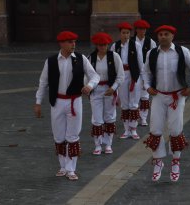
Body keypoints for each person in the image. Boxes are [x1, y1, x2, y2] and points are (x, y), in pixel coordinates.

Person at [34, 31, 100, 181]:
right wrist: (38, 102)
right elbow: (43, 83)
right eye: (70, 42)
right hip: (56, 102)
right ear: (61, 43)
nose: (73, 44)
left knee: (72, 136)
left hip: (74, 101)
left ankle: (71, 168)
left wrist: (90, 85)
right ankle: (62, 166)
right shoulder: (50, 61)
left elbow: (95, 75)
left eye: (74, 42)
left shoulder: (81, 59)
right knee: (58, 136)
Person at [143, 25, 190, 182]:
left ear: (172, 36)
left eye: (166, 34)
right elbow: (145, 72)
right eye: (160, 34)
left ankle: (176, 161)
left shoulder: (182, 52)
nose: (163, 37)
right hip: (159, 96)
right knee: (155, 128)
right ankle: (158, 160)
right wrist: (148, 87)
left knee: (175, 129)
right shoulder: (152, 53)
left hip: (177, 95)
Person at [88, 32, 125, 155]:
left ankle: (108, 144)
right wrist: (87, 88)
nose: (102, 47)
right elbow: (87, 75)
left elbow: (121, 76)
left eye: (104, 44)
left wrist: (113, 88)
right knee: (97, 118)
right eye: (100, 45)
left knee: (109, 116)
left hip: (110, 90)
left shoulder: (114, 56)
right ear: (96, 45)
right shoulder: (91, 58)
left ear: (108, 44)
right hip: (96, 89)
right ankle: (98, 145)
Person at [111, 22, 144, 140]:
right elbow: (113, 64)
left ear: (130, 34)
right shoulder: (115, 46)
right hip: (121, 76)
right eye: (123, 33)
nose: (125, 35)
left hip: (133, 75)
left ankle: (133, 129)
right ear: (120, 34)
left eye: (128, 33)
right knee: (124, 102)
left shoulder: (136, 45)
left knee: (134, 102)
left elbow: (140, 62)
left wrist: (143, 78)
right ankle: (126, 129)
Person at [133, 19, 157, 126]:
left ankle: (143, 117)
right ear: (136, 30)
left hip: (146, 72)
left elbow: (154, 56)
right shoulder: (131, 41)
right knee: (134, 95)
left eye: (144, 29)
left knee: (145, 96)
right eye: (140, 29)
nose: (143, 31)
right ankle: (135, 116)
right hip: (134, 72)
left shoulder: (150, 42)